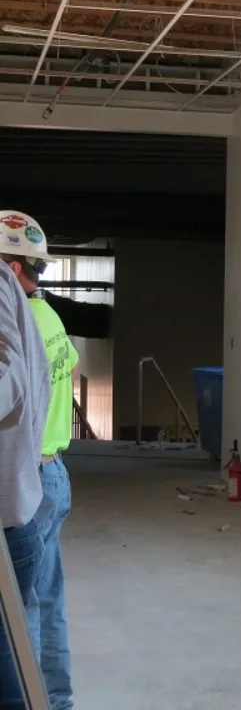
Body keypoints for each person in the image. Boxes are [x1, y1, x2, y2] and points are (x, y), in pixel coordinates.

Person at [0, 211, 78, 710]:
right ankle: (58, 700)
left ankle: (31, 699)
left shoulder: (18, 317)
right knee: (48, 600)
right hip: (56, 473)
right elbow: (67, 363)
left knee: (17, 611)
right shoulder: (47, 317)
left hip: (31, 476)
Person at [0, 258, 50, 707]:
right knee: (35, 613)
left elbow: (5, 381)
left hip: (18, 501)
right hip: (33, 482)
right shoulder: (36, 309)